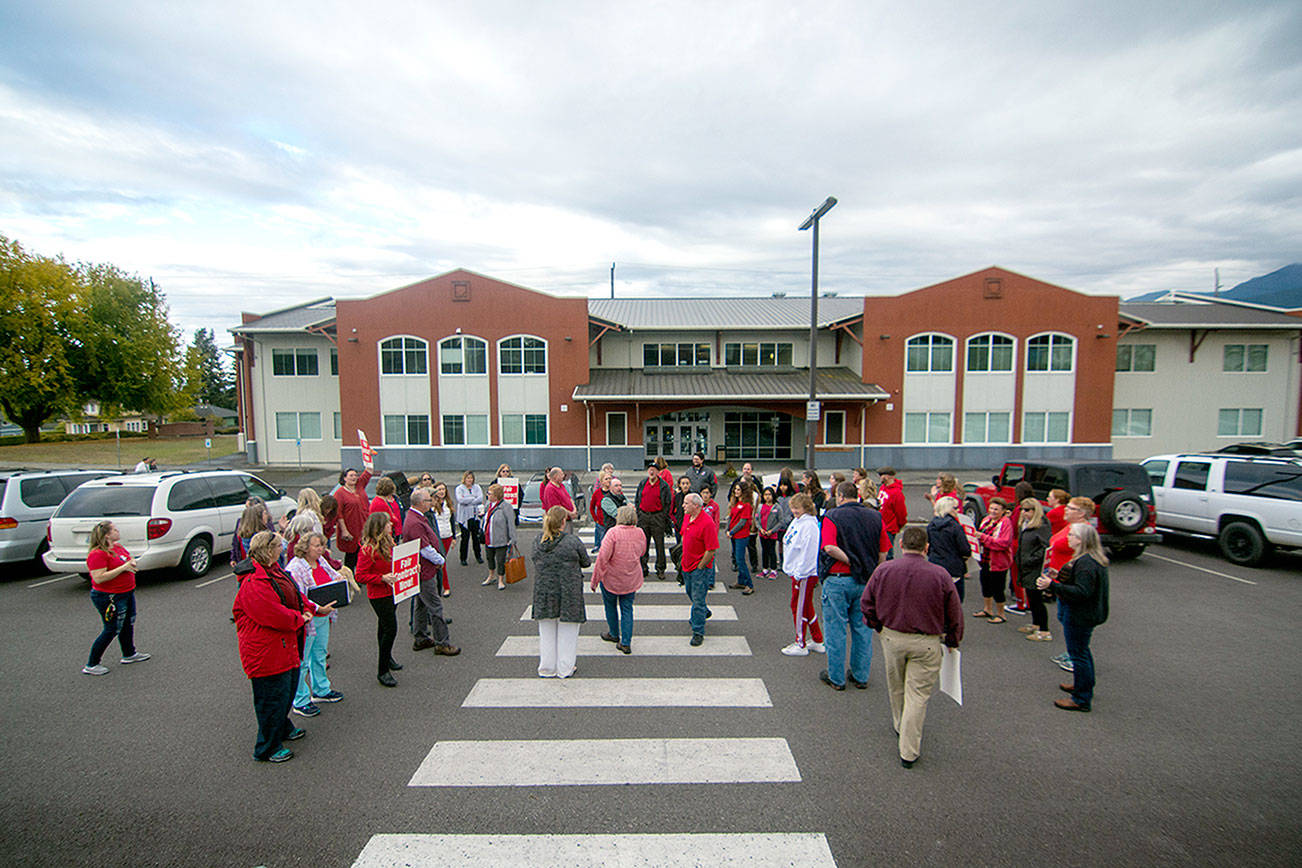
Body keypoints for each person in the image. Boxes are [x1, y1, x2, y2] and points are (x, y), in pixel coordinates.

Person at [861, 524, 964, 768]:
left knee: (896, 685)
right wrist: (953, 639)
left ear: (901, 544)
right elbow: (954, 612)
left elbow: (867, 603)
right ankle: (909, 749)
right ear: (927, 547)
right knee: (917, 694)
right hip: (927, 641)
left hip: (893, 636)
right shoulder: (940, 575)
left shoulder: (884, 570)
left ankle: (900, 723)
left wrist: (877, 625)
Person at [232, 531, 311, 763]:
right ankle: (266, 747)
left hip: (284, 646)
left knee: (285, 691)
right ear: (268, 549)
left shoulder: (273, 571)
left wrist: (310, 608)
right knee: (271, 698)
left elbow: (294, 595)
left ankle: (282, 727)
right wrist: (300, 618)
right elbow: (273, 614)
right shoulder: (253, 582)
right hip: (266, 652)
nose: (282, 548)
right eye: (278, 545)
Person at [818, 481, 891, 690]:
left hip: (839, 577)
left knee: (835, 629)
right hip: (865, 580)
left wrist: (851, 560)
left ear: (840, 496)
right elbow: (883, 552)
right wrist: (872, 571)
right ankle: (860, 675)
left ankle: (836, 677)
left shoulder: (833, 516)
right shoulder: (875, 517)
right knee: (862, 629)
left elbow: (829, 547)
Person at [1038, 522, 1109, 712]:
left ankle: (1081, 698)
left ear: (1081, 540)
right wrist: (1058, 578)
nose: (1068, 538)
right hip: (1088, 613)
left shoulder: (1085, 564)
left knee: (1078, 654)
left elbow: (1081, 592)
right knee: (1083, 652)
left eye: (1071, 536)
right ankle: (1083, 685)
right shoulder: (1092, 559)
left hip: (1080, 615)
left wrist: (1051, 586)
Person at [285, 533, 342, 716]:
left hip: (323, 616)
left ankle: (321, 689)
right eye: (316, 545)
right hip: (309, 619)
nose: (320, 549)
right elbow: (299, 597)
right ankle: (300, 700)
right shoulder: (296, 567)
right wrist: (319, 607)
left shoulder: (321, 561)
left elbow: (334, 576)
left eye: (322, 545)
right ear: (305, 547)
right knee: (303, 660)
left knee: (319, 655)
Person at [82, 521, 149, 675]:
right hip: (109, 597)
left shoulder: (117, 547)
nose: (118, 532)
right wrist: (123, 568)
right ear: (107, 535)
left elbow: (127, 558)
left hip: (126, 592)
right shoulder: (97, 554)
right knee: (111, 628)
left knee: (127, 623)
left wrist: (131, 562)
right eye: (115, 530)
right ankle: (92, 664)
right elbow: (98, 578)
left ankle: (129, 654)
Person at [532, 505, 590, 678]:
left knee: (547, 632)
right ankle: (565, 668)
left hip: (545, 590)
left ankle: (547, 667)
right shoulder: (572, 541)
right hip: (568, 590)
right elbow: (586, 562)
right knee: (568, 632)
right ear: (564, 522)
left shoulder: (537, 541)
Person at [402, 488, 461, 656]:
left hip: (423, 570)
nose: (432, 502)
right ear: (421, 503)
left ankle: (420, 637)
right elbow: (425, 548)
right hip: (424, 571)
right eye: (429, 500)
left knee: (421, 604)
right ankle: (442, 642)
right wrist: (441, 560)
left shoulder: (416, 518)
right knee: (435, 607)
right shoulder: (415, 522)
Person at [1048, 496, 1095, 673]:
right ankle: (1071, 651)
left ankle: (1076, 657)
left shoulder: (1084, 532)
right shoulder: (1071, 527)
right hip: (1061, 579)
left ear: (1081, 513)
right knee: (1063, 617)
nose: (1065, 510)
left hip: (1071, 583)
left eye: (1070, 508)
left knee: (1073, 622)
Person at [355, 512, 403, 687]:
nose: (391, 525)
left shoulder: (389, 543)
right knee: (391, 629)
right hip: (379, 594)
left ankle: (387, 657)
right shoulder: (368, 549)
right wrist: (381, 578)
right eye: (388, 524)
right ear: (380, 528)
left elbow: (397, 563)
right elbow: (360, 575)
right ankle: (382, 670)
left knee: (384, 628)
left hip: (392, 591)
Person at [592, 504, 646, 654]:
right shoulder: (640, 532)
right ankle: (626, 642)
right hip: (631, 577)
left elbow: (603, 558)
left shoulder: (613, 533)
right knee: (627, 609)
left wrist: (595, 579)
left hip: (612, 578)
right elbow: (642, 552)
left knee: (610, 606)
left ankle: (614, 633)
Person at [780, 493, 825, 656]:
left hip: (804, 573)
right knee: (806, 605)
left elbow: (809, 552)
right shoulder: (799, 521)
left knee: (797, 606)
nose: (793, 511)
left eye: (797, 508)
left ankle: (800, 642)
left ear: (806, 508)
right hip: (797, 571)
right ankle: (818, 639)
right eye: (792, 508)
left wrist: (801, 572)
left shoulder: (810, 525)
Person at [678, 493, 718, 646]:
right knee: (691, 593)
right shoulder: (688, 517)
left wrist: (700, 566)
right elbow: (683, 535)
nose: (683, 506)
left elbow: (711, 550)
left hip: (699, 568)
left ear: (696, 506)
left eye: (686, 503)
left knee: (698, 599)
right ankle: (703, 611)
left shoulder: (707, 523)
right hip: (686, 565)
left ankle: (698, 631)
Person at [1016, 497, 1053, 642]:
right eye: (1022, 510)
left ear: (1035, 510)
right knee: (1031, 598)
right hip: (1025, 567)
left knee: (1037, 599)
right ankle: (1035, 624)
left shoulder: (1041, 526)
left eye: (1027, 510)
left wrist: (1031, 559)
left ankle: (1044, 630)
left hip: (1035, 568)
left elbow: (1045, 548)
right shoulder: (1025, 524)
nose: (1024, 513)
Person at [974, 497, 1014, 623]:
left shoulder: (1006, 523)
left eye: (996, 509)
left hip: (998, 562)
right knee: (985, 584)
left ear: (1003, 511)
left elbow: (1003, 543)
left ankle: (1001, 614)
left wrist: (984, 538)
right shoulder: (986, 520)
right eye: (991, 508)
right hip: (985, 559)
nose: (993, 511)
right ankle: (988, 609)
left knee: (998, 588)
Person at [926, 496, 971, 602]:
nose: (958, 510)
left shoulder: (931, 526)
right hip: (953, 567)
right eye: (955, 508)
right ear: (949, 509)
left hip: (935, 564)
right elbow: (965, 549)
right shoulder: (955, 527)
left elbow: (929, 545)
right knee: (955, 600)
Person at [636, 463, 672, 580]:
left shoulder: (663, 485)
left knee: (659, 545)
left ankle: (660, 569)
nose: (651, 472)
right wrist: (639, 513)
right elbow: (637, 499)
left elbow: (668, 503)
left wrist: (662, 516)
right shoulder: (643, 483)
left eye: (654, 470)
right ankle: (643, 568)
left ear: (658, 472)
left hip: (657, 517)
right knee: (643, 545)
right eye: (650, 470)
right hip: (644, 517)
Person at [334, 467, 373, 571]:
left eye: (356, 475)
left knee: (365, 553)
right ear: (344, 478)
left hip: (364, 527)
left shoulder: (360, 486)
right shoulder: (339, 493)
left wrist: (368, 455)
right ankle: (350, 577)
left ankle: (361, 575)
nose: (354, 477)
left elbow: (369, 471)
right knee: (352, 555)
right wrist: (344, 530)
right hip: (351, 528)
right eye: (351, 475)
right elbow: (339, 514)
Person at [481, 483, 517, 590]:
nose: (487, 495)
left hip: (501, 539)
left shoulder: (506, 507)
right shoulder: (488, 505)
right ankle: (491, 576)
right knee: (489, 557)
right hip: (489, 537)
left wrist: (513, 539)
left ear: (496, 495)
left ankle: (501, 579)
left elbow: (511, 523)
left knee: (500, 560)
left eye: (490, 493)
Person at [727, 463, 760, 573]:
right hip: (735, 529)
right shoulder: (735, 498)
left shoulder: (753, 498)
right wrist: (729, 529)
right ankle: (735, 563)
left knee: (751, 546)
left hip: (748, 527)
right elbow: (731, 513)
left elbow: (752, 513)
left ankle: (753, 565)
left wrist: (755, 524)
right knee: (736, 550)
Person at [726, 479, 756, 595]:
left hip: (741, 536)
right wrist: (729, 529)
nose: (736, 491)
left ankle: (749, 584)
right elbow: (732, 517)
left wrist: (732, 531)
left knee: (740, 559)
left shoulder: (746, 505)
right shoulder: (737, 503)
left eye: (738, 489)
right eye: (735, 489)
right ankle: (741, 581)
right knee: (737, 559)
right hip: (734, 535)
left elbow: (742, 522)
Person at [454, 471, 484, 566]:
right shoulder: (459, 488)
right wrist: (473, 498)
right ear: (464, 479)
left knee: (476, 538)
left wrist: (468, 499)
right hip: (464, 517)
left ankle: (478, 556)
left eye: (471, 478)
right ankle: (463, 558)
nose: (469, 480)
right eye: (468, 478)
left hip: (475, 516)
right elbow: (460, 500)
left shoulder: (477, 487)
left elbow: (480, 499)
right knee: (465, 538)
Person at [877, 467, 907, 557]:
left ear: (888, 476)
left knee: (887, 554)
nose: (880, 477)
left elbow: (901, 512)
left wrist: (899, 525)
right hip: (881, 525)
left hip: (889, 528)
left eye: (882, 475)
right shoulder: (883, 488)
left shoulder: (896, 493)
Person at [758, 486, 782, 580]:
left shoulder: (777, 507)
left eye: (769, 494)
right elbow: (757, 519)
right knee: (764, 551)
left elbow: (780, 521)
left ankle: (773, 570)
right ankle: (764, 569)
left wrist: (772, 530)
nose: (767, 497)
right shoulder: (760, 506)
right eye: (765, 495)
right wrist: (760, 529)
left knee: (772, 551)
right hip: (762, 533)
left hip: (772, 534)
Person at [590, 469, 612, 554]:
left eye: (610, 478)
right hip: (601, 523)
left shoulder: (614, 491)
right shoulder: (597, 493)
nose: (609, 481)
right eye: (606, 479)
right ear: (602, 482)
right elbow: (591, 507)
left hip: (612, 523)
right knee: (602, 546)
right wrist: (596, 519)